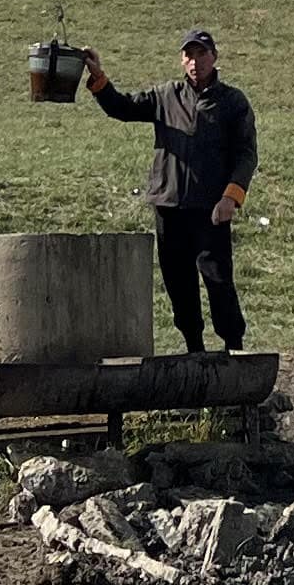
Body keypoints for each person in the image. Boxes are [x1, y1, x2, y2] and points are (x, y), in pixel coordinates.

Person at [82, 28, 257, 354]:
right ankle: (195, 351)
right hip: (169, 206)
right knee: (179, 285)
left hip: (211, 210)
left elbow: (246, 154)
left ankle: (235, 348)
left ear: (214, 57)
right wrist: (98, 77)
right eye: (189, 55)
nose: (195, 61)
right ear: (181, 61)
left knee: (218, 281)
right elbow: (122, 108)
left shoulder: (233, 102)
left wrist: (231, 197)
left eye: (201, 54)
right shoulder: (166, 96)